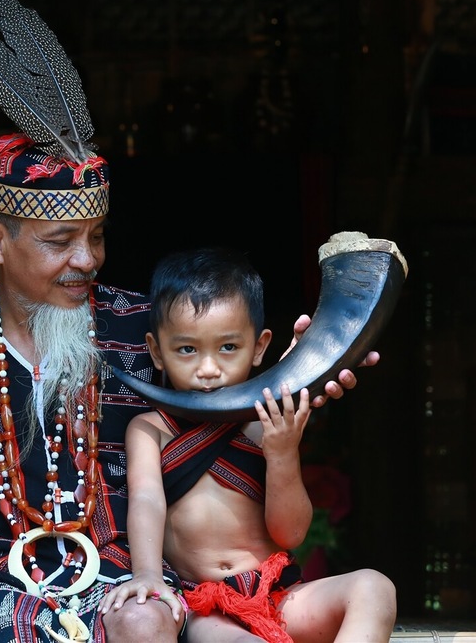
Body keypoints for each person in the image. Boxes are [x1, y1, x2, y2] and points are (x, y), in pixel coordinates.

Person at [0, 0, 379, 643]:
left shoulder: (150, 332)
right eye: (60, 240)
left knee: (147, 622)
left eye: (96, 236)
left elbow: (229, 385)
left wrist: (302, 373)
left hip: (131, 576)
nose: (86, 259)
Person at [98, 247, 397, 642]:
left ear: (259, 347)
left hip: (280, 594)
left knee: (375, 587)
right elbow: (147, 502)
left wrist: (283, 453)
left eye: (228, 348)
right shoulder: (149, 429)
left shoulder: (268, 422)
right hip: (207, 606)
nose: (208, 369)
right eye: (187, 349)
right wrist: (150, 575)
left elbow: (290, 535)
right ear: (156, 350)